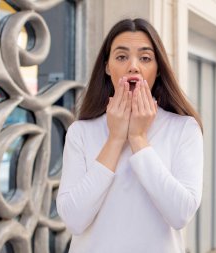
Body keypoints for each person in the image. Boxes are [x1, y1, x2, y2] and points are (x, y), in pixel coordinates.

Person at [56, 18, 203, 253]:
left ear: (158, 68)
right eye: (122, 57)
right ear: (107, 67)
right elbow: (73, 219)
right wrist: (115, 139)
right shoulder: (81, 132)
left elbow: (181, 214)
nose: (133, 66)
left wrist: (138, 138)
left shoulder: (184, 129)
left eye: (145, 58)